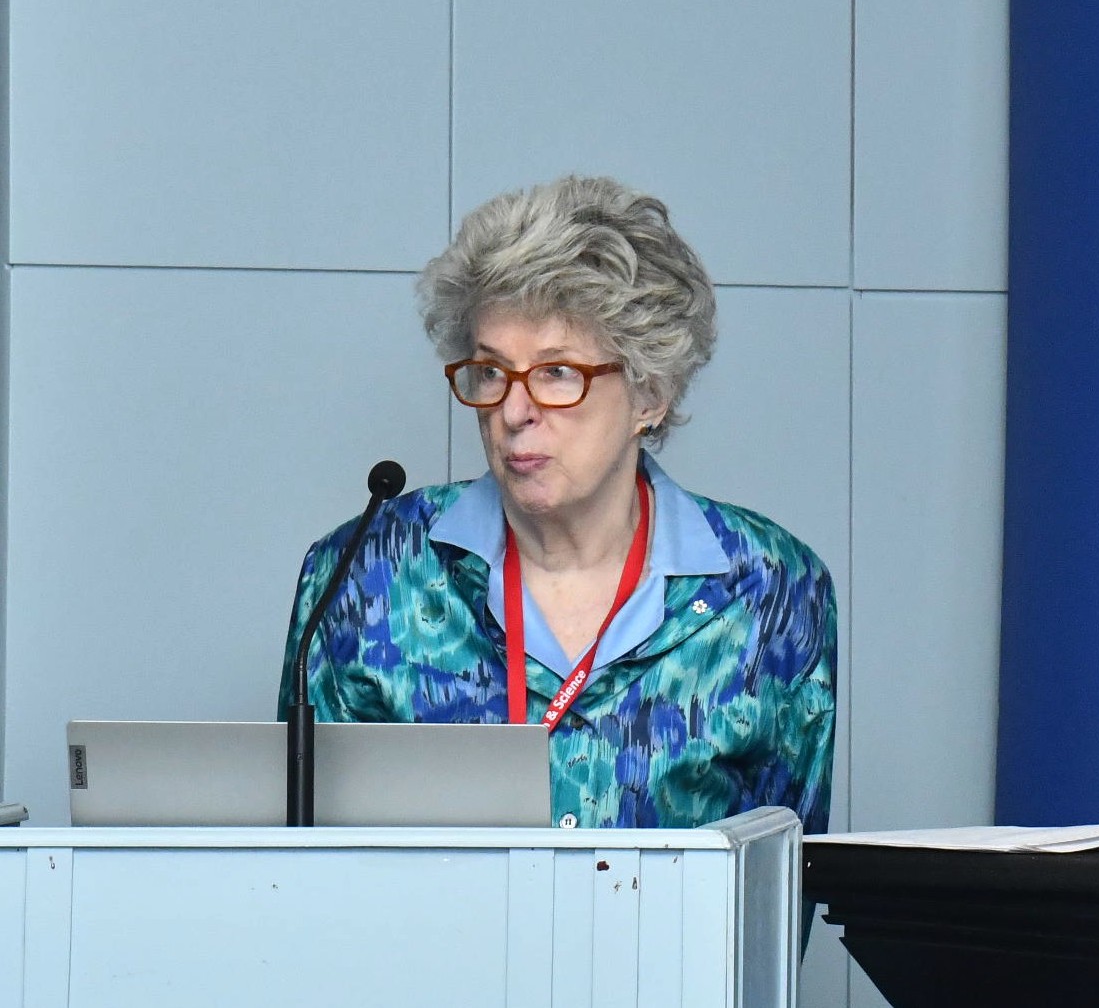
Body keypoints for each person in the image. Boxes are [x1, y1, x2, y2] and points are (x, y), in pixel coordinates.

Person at [278, 175, 835, 832]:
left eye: (557, 373)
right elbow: (310, 865)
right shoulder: (363, 573)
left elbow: (777, 874)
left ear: (650, 393)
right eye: (492, 371)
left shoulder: (771, 588)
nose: (514, 411)